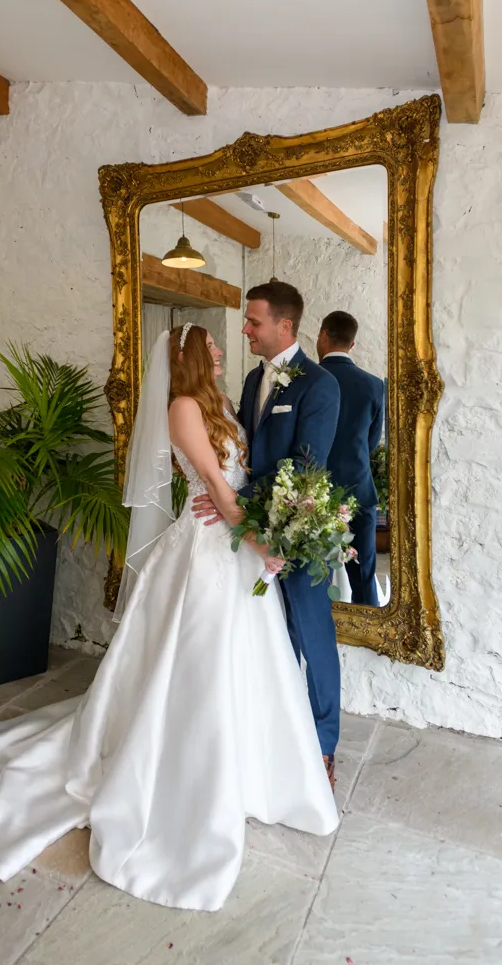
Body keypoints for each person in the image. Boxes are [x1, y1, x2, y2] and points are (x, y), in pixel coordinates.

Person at [0, 324, 338, 915]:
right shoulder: (183, 408)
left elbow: (240, 477)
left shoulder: (221, 402)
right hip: (209, 548)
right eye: (212, 346)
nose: (223, 350)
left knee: (248, 661)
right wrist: (259, 540)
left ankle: (254, 765)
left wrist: (260, 527)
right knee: (195, 664)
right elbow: (215, 485)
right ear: (190, 356)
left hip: (232, 543)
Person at [193, 282, 342, 788]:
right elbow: (246, 451)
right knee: (271, 638)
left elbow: (306, 466)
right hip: (252, 535)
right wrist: (226, 500)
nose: (245, 330)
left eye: (253, 322)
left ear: (285, 325)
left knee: (311, 634)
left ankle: (322, 745)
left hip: (296, 530)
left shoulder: (319, 384)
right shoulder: (254, 377)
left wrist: (231, 501)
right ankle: (279, 735)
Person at [317, 310, 385, 606]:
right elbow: (371, 442)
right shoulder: (373, 385)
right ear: (352, 344)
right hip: (359, 488)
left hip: (314, 493)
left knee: (314, 574)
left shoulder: (310, 379)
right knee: (364, 574)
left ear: (323, 335)